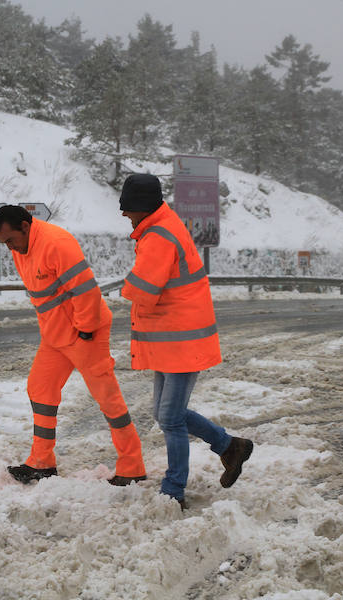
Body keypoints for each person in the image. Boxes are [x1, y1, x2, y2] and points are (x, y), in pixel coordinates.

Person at [117, 173, 254, 508]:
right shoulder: (159, 228)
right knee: (165, 414)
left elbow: (143, 292)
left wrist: (127, 288)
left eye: (128, 209)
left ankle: (174, 489)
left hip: (182, 342)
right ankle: (229, 446)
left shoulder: (159, 236)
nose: (125, 216)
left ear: (142, 207)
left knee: (171, 417)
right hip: (173, 341)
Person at [0, 205, 147, 486]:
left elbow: (86, 288)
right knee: (40, 388)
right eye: (4, 243)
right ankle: (42, 462)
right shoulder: (21, 249)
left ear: (25, 227)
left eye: (10, 240)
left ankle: (132, 465)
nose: (9, 248)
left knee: (107, 398)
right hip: (55, 336)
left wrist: (86, 329)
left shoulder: (56, 243)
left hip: (84, 333)